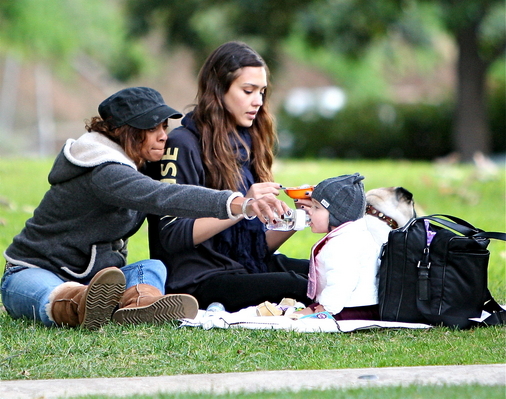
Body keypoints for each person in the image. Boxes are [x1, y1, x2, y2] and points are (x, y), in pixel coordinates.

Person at [1, 86, 288, 330]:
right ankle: (81, 305)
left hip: (98, 278)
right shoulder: (105, 170)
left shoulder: (138, 165)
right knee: (53, 298)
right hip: (31, 272)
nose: (163, 135)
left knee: (152, 268)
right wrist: (238, 203)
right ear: (124, 132)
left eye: (164, 126)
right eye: (151, 128)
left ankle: (142, 305)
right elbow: (164, 196)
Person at [146, 41, 310, 312]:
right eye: (248, 91)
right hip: (198, 282)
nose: (257, 101)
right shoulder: (182, 144)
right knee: (298, 284)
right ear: (219, 89)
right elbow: (172, 235)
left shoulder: (247, 141)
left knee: (324, 271)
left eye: (262, 92)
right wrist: (242, 206)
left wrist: (296, 218)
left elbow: (255, 249)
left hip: (243, 268)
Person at [294, 174, 381, 321]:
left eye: (316, 207)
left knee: (301, 319)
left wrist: (326, 308)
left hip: (355, 308)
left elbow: (343, 281)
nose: (310, 211)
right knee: (300, 313)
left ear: (337, 215)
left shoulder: (344, 244)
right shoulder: (349, 236)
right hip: (349, 304)